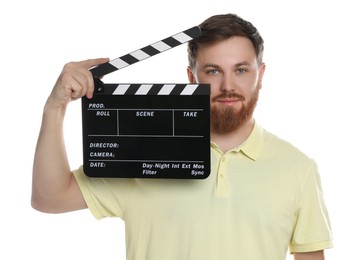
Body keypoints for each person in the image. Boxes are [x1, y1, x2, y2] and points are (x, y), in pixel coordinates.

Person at [32, 13, 333, 260]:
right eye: (213, 71)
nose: (228, 85)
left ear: (261, 75)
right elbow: (49, 197)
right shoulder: (142, 155)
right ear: (191, 79)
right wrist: (54, 108)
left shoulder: (298, 168)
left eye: (241, 70)